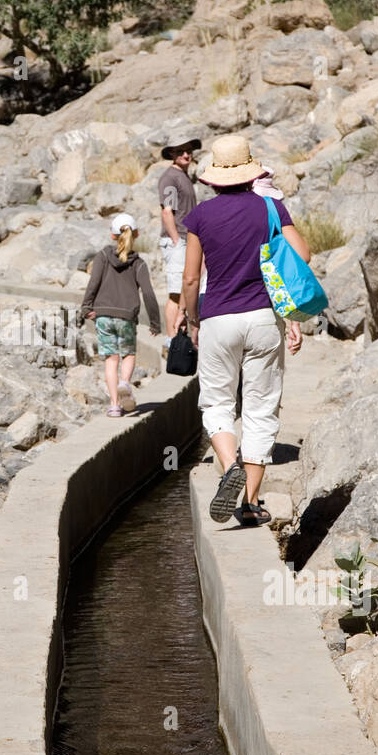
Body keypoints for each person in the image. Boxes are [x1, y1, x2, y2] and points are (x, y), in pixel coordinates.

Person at [178, 134, 308, 526]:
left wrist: (193, 319)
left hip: (219, 318)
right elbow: (301, 254)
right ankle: (249, 503)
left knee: (217, 402)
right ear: (251, 172)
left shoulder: (200, 216)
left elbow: (189, 278)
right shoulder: (271, 207)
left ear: (213, 177)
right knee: (260, 408)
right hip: (265, 318)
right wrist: (292, 314)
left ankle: (228, 463)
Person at [82, 212, 161, 418]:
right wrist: (155, 322)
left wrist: (86, 307)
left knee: (111, 359)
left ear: (112, 236)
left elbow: (93, 283)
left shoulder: (102, 256)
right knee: (128, 354)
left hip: (104, 315)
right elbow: (149, 293)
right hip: (126, 316)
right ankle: (125, 382)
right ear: (136, 234)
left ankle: (114, 405)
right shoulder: (139, 263)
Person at [158, 132, 202, 351]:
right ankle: (172, 339)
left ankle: (180, 338)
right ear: (172, 154)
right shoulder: (171, 178)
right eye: (180, 151)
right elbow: (168, 212)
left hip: (187, 238)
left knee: (185, 289)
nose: (186, 154)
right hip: (179, 240)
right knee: (176, 293)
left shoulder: (184, 176)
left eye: (189, 150)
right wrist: (176, 241)